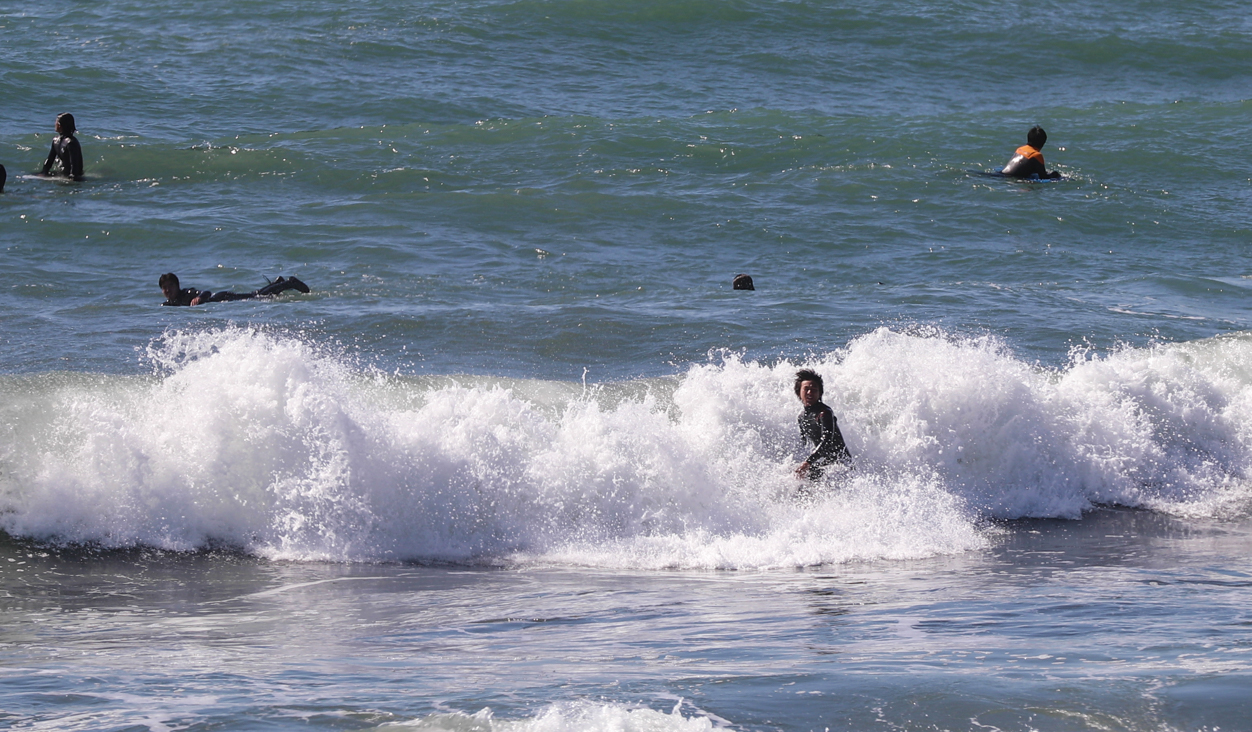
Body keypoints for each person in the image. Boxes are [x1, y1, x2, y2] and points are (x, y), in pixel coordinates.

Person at [794, 368, 851, 480]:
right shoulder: (801, 418)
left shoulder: (824, 413)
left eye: (814, 390)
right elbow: (805, 444)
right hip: (824, 463)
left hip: (841, 465)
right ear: (799, 392)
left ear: (820, 393)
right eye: (806, 389)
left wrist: (807, 463)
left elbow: (827, 441)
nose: (810, 393)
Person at [159, 272, 310, 306]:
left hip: (222, 298)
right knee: (257, 294)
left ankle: (290, 283)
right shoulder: (170, 304)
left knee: (258, 296)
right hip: (222, 299)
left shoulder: (186, 293)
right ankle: (278, 283)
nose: (167, 290)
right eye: (164, 288)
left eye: (170, 286)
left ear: (177, 286)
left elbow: (206, 292)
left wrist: (199, 298)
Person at [41, 113, 84, 181]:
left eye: (56, 122)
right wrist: (44, 172)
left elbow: (74, 165)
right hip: (63, 174)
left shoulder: (71, 143)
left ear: (59, 125)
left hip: (74, 177)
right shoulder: (56, 141)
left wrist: (72, 177)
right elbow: (50, 160)